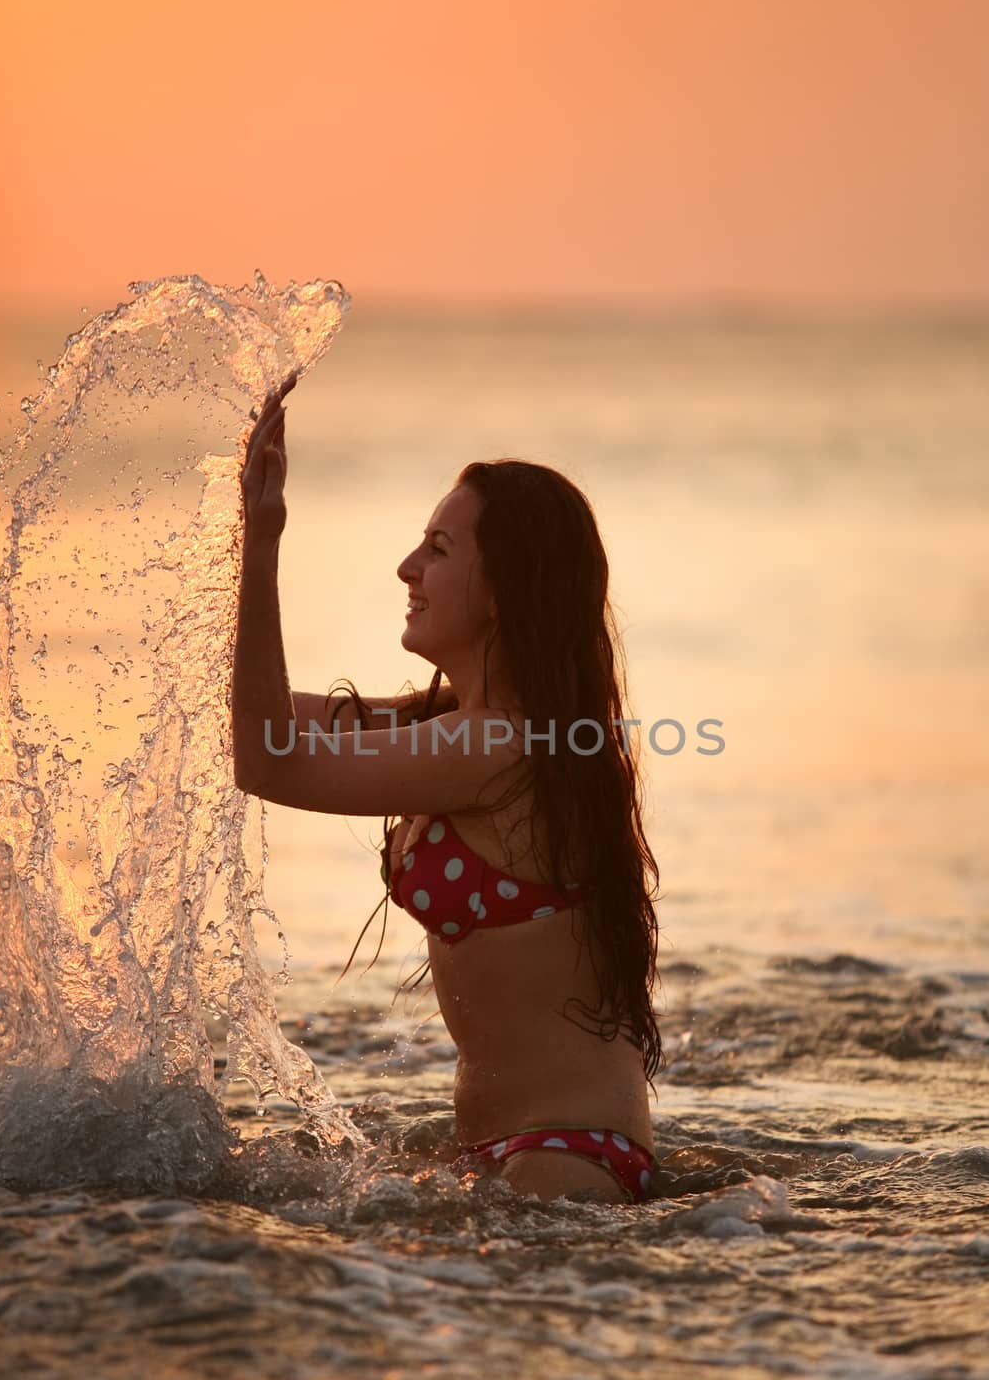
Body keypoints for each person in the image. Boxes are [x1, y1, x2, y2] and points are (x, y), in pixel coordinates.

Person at [233, 374, 667, 1204]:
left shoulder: (497, 745)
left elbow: (266, 761)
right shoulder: (466, 722)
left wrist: (264, 541)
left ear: (505, 591)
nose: (407, 567)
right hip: (509, 1151)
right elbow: (251, 716)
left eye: (437, 549)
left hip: (563, 1161)